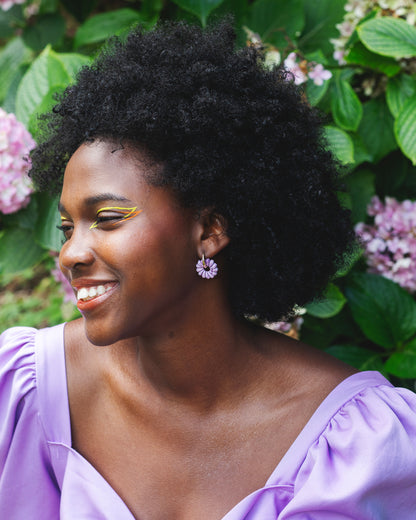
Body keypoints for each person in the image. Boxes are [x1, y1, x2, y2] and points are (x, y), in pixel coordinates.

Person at [1, 20, 416, 520]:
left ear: (210, 230)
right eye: (68, 227)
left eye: (107, 219)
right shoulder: (28, 392)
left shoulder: (357, 443)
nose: (69, 254)